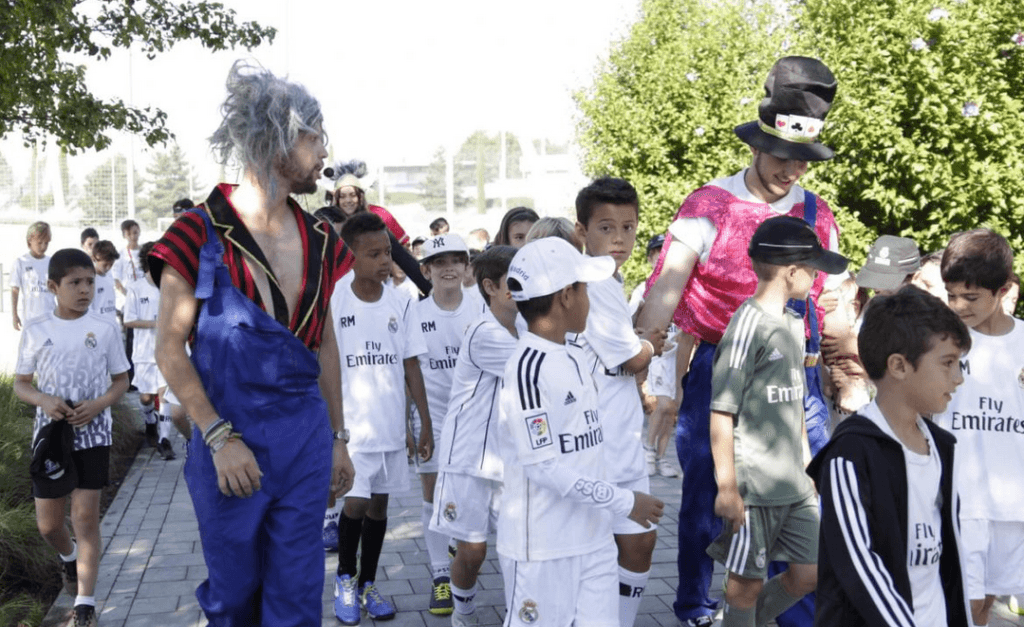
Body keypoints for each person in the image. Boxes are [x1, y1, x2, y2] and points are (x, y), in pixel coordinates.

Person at [636, 56, 844, 627]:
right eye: (782, 156)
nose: (792, 170)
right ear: (757, 144)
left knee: (803, 494)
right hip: (718, 366)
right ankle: (698, 608)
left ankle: (782, 615)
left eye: (804, 160)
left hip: (793, 373)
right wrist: (644, 361)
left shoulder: (815, 213)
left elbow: (824, 305)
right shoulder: (711, 205)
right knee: (710, 496)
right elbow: (666, 292)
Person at [150, 60, 355, 627]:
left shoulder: (320, 237)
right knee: (234, 600)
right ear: (280, 138)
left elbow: (325, 344)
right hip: (229, 438)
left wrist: (338, 437)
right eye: (315, 137)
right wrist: (217, 438)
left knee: (295, 597)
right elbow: (168, 350)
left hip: (305, 442)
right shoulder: (196, 232)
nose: (324, 152)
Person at [497, 237, 664, 627]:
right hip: (541, 549)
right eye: (585, 288)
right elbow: (542, 467)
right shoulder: (526, 369)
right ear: (566, 297)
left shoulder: (575, 356)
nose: (592, 297)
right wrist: (624, 502)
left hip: (594, 540)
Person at [707, 216, 847, 627]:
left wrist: (809, 468)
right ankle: (737, 620)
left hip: (795, 483)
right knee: (744, 586)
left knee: (811, 572)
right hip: (755, 487)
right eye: (813, 269)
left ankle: (736, 623)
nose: (816, 277)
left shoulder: (793, 322)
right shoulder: (748, 325)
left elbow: (795, 402)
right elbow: (721, 410)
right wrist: (727, 488)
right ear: (791, 272)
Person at [809, 285, 971, 626]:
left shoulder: (942, 446)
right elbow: (858, 565)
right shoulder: (850, 453)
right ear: (898, 365)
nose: (958, 378)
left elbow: (950, 559)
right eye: (947, 363)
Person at [14, 248, 131, 627]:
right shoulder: (36, 329)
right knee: (50, 525)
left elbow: (121, 381)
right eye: (75, 283)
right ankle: (68, 560)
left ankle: (85, 604)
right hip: (50, 438)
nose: (85, 290)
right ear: (52, 286)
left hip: (93, 435)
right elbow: (20, 384)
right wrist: (43, 400)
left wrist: (98, 406)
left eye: (90, 283)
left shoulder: (106, 328)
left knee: (85, 520)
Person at [329, 211, 433, 625]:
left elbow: (410, 365)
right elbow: (326, 364)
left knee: (379, 507)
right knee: (354, 503)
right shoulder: (336, 298)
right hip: (352, 428)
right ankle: (344, 580)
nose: (385, 260)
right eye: (373, 254)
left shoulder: (401, 301)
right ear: (350, 257)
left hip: (390, 425)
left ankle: (369, 584)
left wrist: (421, 421)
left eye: (387, 251)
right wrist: (331, 429)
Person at [571, 177, 666, 627]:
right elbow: (628, 357)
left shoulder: (609, 278)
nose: (620, 239)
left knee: (638, 541)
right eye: (606, 228)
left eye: (628, 228)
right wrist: (649, 345)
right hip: (597, 435)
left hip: (621, 428)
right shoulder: (590, 277)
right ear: (581, 231)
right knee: (615, 542)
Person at [932, 228, 1023, 627]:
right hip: (959, 500)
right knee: (962, 609)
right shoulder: (940, 341)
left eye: (970, 297)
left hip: (1012, 504)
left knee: (986, 604)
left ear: (1003, 289)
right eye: (951, 295)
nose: (958, 306)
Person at [430, 245, 519, 627]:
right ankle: (463, 615)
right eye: (516, 281)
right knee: (473, 550)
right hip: (468, 461)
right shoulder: (485, 333)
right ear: (491, 287)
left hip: (509, 462)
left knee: (517, 550)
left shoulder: (526, 326)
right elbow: (539, 370)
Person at [404, 233, 478, 615]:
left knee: (468, 496)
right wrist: (417, 425)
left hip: (476, 422)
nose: (448, 267)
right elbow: (410, 370)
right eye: (439, 261)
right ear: (426, 270)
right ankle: (440, 578)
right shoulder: (414, 313)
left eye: (456, 260)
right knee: (432, 498)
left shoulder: (481, 308)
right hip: (432, 418)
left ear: (467, 267)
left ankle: (457, 553)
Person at [123, 242, 175, 460]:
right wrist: (156, 324)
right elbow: (129, 320)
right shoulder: (136, 288)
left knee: (165, 397)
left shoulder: (171, 286)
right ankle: (150, 422)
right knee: (146, 398)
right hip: (144, 353)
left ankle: (165, 441)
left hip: (167, 352)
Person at [11, 221, 55, 331]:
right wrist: (14, 315)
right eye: (40, 243)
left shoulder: (52, 262)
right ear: (30, 241)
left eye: (46, 243)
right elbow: (15, 290)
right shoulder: (21, 262)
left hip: (50, 317)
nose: (43, 246)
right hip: (30, 319)